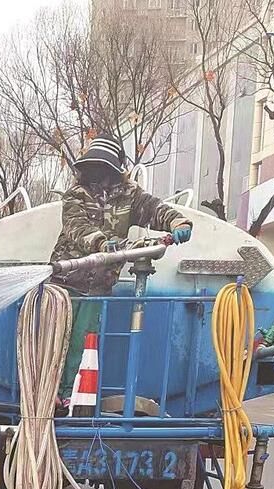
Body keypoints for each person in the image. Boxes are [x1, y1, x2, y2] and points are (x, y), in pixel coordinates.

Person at [51, 134, 194, 403]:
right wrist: (103, 243)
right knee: (56, 341)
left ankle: (71, 396)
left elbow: (155, 210)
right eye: (94, 167)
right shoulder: (75, 196)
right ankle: (50, 393)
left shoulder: (130, 196)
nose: (99, 174)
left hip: (99, 287)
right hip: (64, 283)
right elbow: (77, 228)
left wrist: (178, 223)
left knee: (84, 342)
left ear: (116, 169)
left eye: (104, 168)